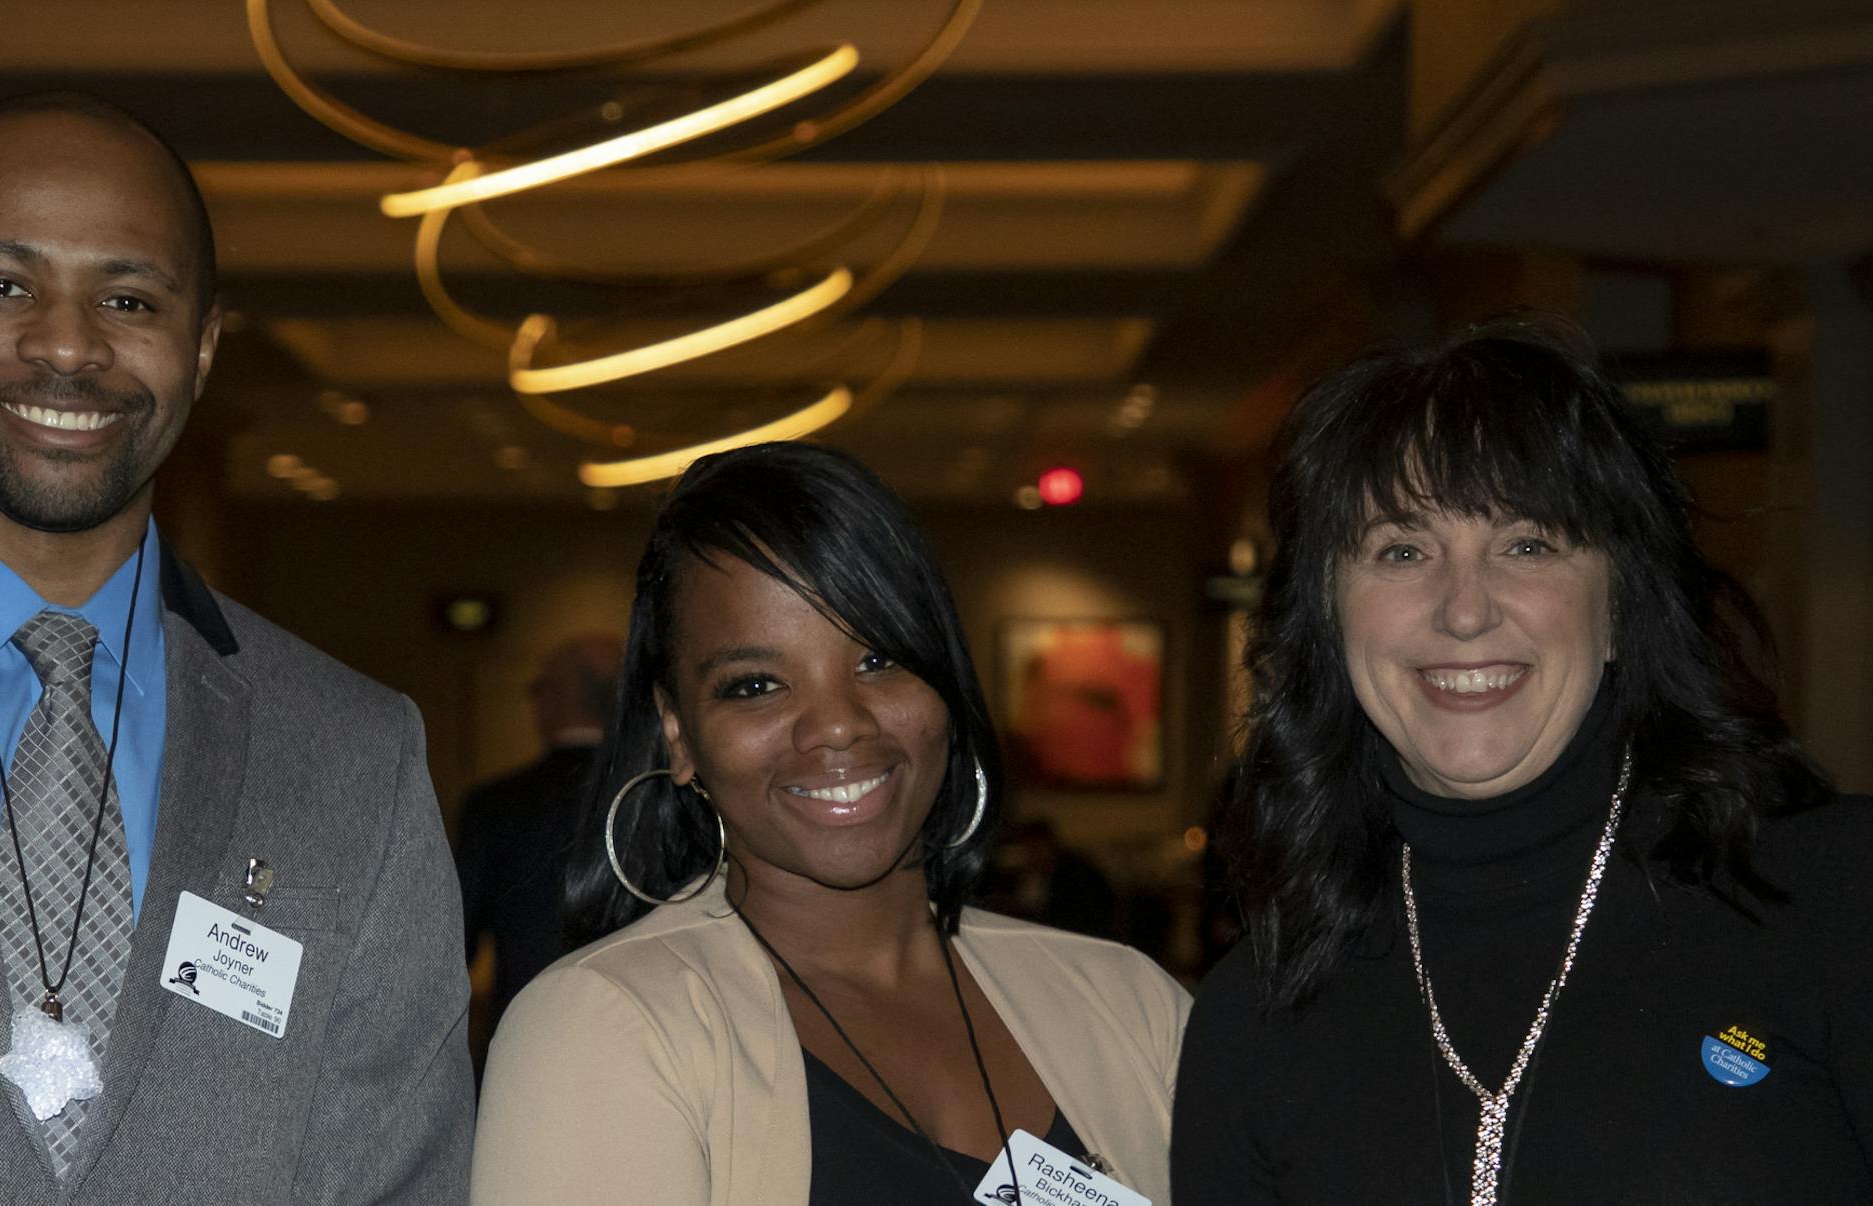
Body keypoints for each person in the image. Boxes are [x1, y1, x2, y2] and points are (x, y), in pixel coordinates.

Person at [0, 93, 474, 1203]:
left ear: (202, 349)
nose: (68, 345)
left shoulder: (354, 757)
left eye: (129, 298)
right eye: (3, 286)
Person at [1171, 316, 1872, 1204]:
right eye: (1402, 550)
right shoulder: (1259, 1013)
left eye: (1527, 544)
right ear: (1328, 617)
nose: (1464, 611)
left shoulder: (1836, 900)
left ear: (1620, 603)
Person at [472, 442, 1190, 1206]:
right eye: (755, 685)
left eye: (879, 661)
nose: (839, 726)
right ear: (678, 732)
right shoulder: (605, 1030)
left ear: (945, 682)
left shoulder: (1128, 1005)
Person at [456, 634, 624, 1028]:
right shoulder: (660, 801)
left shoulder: (496, 805)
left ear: (555, 697)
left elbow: (453, 944)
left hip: (524, 1028)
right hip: (636, 1036)